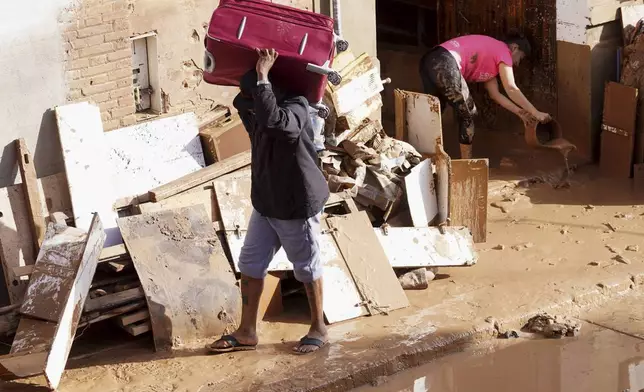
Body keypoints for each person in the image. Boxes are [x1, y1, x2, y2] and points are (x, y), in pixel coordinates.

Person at [208, 48, 330, 355]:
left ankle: (318, 327)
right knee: (250, 263)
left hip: (295, 201)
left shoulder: (297, 106)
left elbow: (278, 124)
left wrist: (262, 78)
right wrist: (255, 87)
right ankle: (247, 331)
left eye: (258, 91)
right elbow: (252, 110)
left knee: (306, 265)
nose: (249, 99)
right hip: (266, 200)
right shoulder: (256, 109)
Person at [419, 32, 552, 159]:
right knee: (469, 113)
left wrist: (520, 113)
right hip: (445, 61)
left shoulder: (491, 61)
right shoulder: (503, 50)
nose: (517, 63)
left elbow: (496, 95)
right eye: (520, 58)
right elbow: (511, 88)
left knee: (435, 112)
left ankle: (424, 156)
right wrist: (536, 112)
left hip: (430, 60)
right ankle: (467, 164)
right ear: (514, 48)